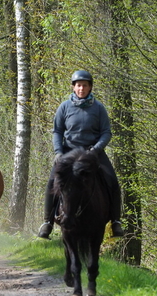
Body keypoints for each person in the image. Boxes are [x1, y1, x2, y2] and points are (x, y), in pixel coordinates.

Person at [38, 69, 125, 239]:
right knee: (52, 182)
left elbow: (106, 132)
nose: (81, 89)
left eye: (85, 86)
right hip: (69, 151)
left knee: (112, 181)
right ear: (73, 87)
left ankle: (115, 221)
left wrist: (96, 149)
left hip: (93, 152)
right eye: (78, 85)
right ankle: (47, 222)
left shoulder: (99, 108)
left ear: (90, 87)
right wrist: (58, 152)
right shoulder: (64, 107)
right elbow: (57, 131)